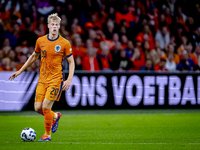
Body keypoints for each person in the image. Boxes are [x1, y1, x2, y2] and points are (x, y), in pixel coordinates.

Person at [9, 13, 75, 141]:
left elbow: (71, 62)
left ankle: (47, 135)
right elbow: (34, 56)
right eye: (53, 25)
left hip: (56, 79)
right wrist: (20, 71)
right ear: (48, 26)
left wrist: (69, 79)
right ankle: (55, 116)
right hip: (42, 79)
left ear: (59, 26)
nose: (55, 27)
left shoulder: (64, 43)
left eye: (57, 25)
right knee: (37, 108)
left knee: (45, 106)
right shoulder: (40, 41)